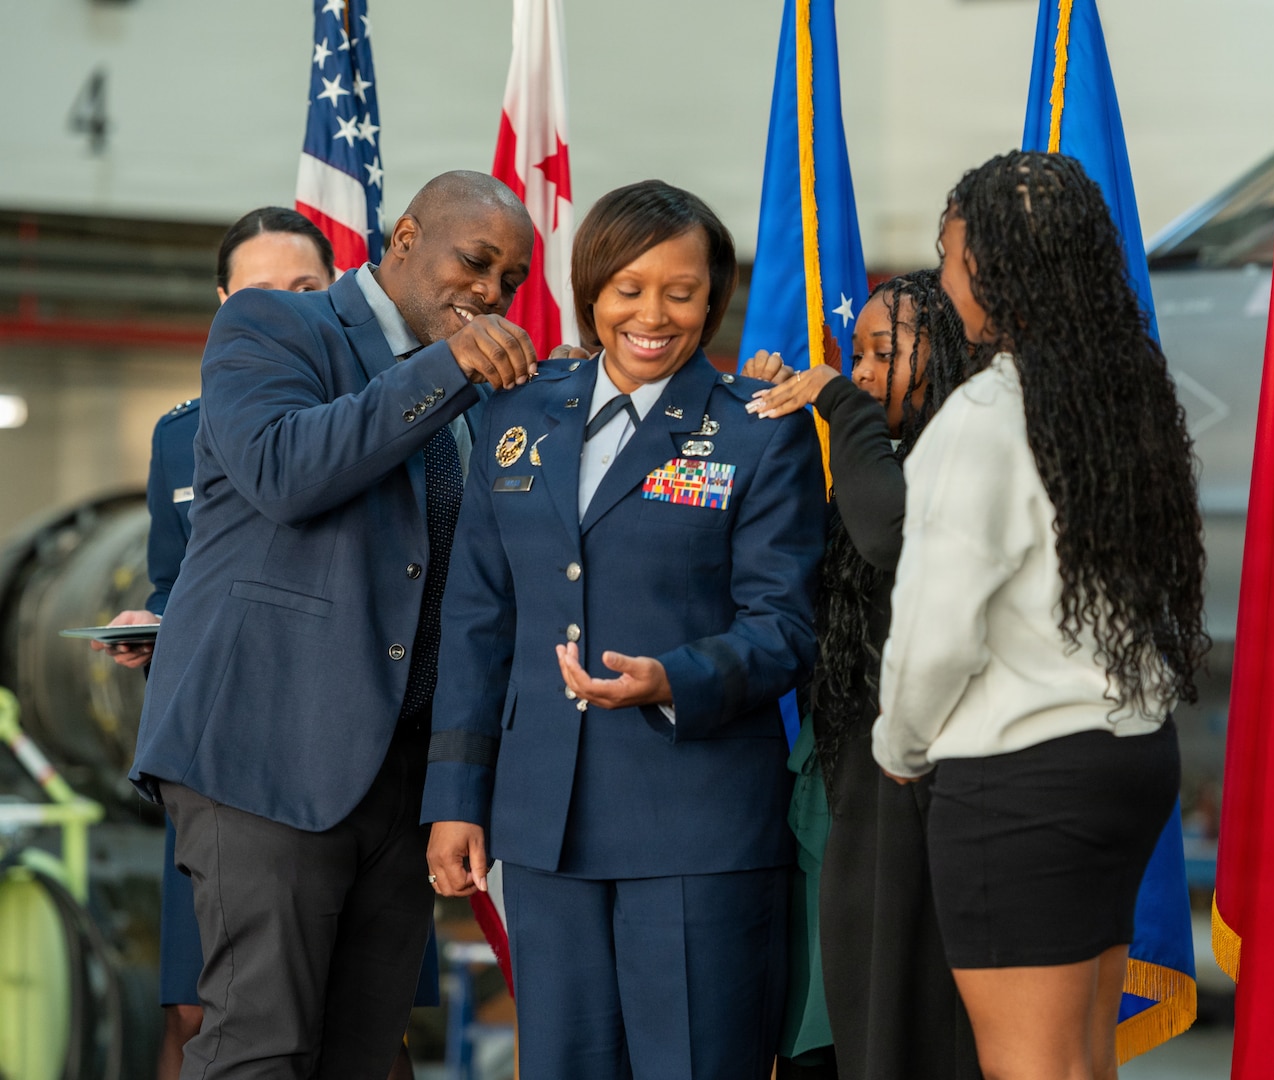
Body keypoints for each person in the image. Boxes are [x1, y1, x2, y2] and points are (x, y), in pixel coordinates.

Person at [127, 170, 539, 1080]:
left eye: (508, 283)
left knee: (362, 1058)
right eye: (475, 262)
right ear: (404, 236)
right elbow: (286, 472)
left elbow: (474, 590)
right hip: (264, 755)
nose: (489, 294)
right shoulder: (275, 325)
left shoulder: (477, 395)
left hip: (400, 782)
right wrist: (448, 368)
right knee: (259, 1049)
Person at [422, 179, 827, 1080]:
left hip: (696, 826)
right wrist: (456, 794)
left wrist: (673, 677)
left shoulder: (759, 435)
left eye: (681, 294)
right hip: (543, 823)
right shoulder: (516, 413)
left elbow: (787, 626)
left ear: (712, 301)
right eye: (628, 290)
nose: (652, 315)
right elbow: (478, 617)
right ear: (591, 292)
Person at [871, 151, 1208, 1080]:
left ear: (993, 267)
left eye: (947, 258)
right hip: (1129, 761)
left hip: (1021, 784)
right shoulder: (1125, 398)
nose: (944, 281)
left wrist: (898, 746)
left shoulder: (984, 414)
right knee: (1083, 1063)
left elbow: (937, 632)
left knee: (1032, 1068)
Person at [747, 269, 986, 1080]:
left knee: (894, 1020)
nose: (860, 373)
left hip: (914, 795)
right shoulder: (864, 463)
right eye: (854, 356)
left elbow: (894, 534)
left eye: (883, 353)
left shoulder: (967, 465)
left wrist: (841, 408)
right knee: (824, 1032)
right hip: (838, 776)